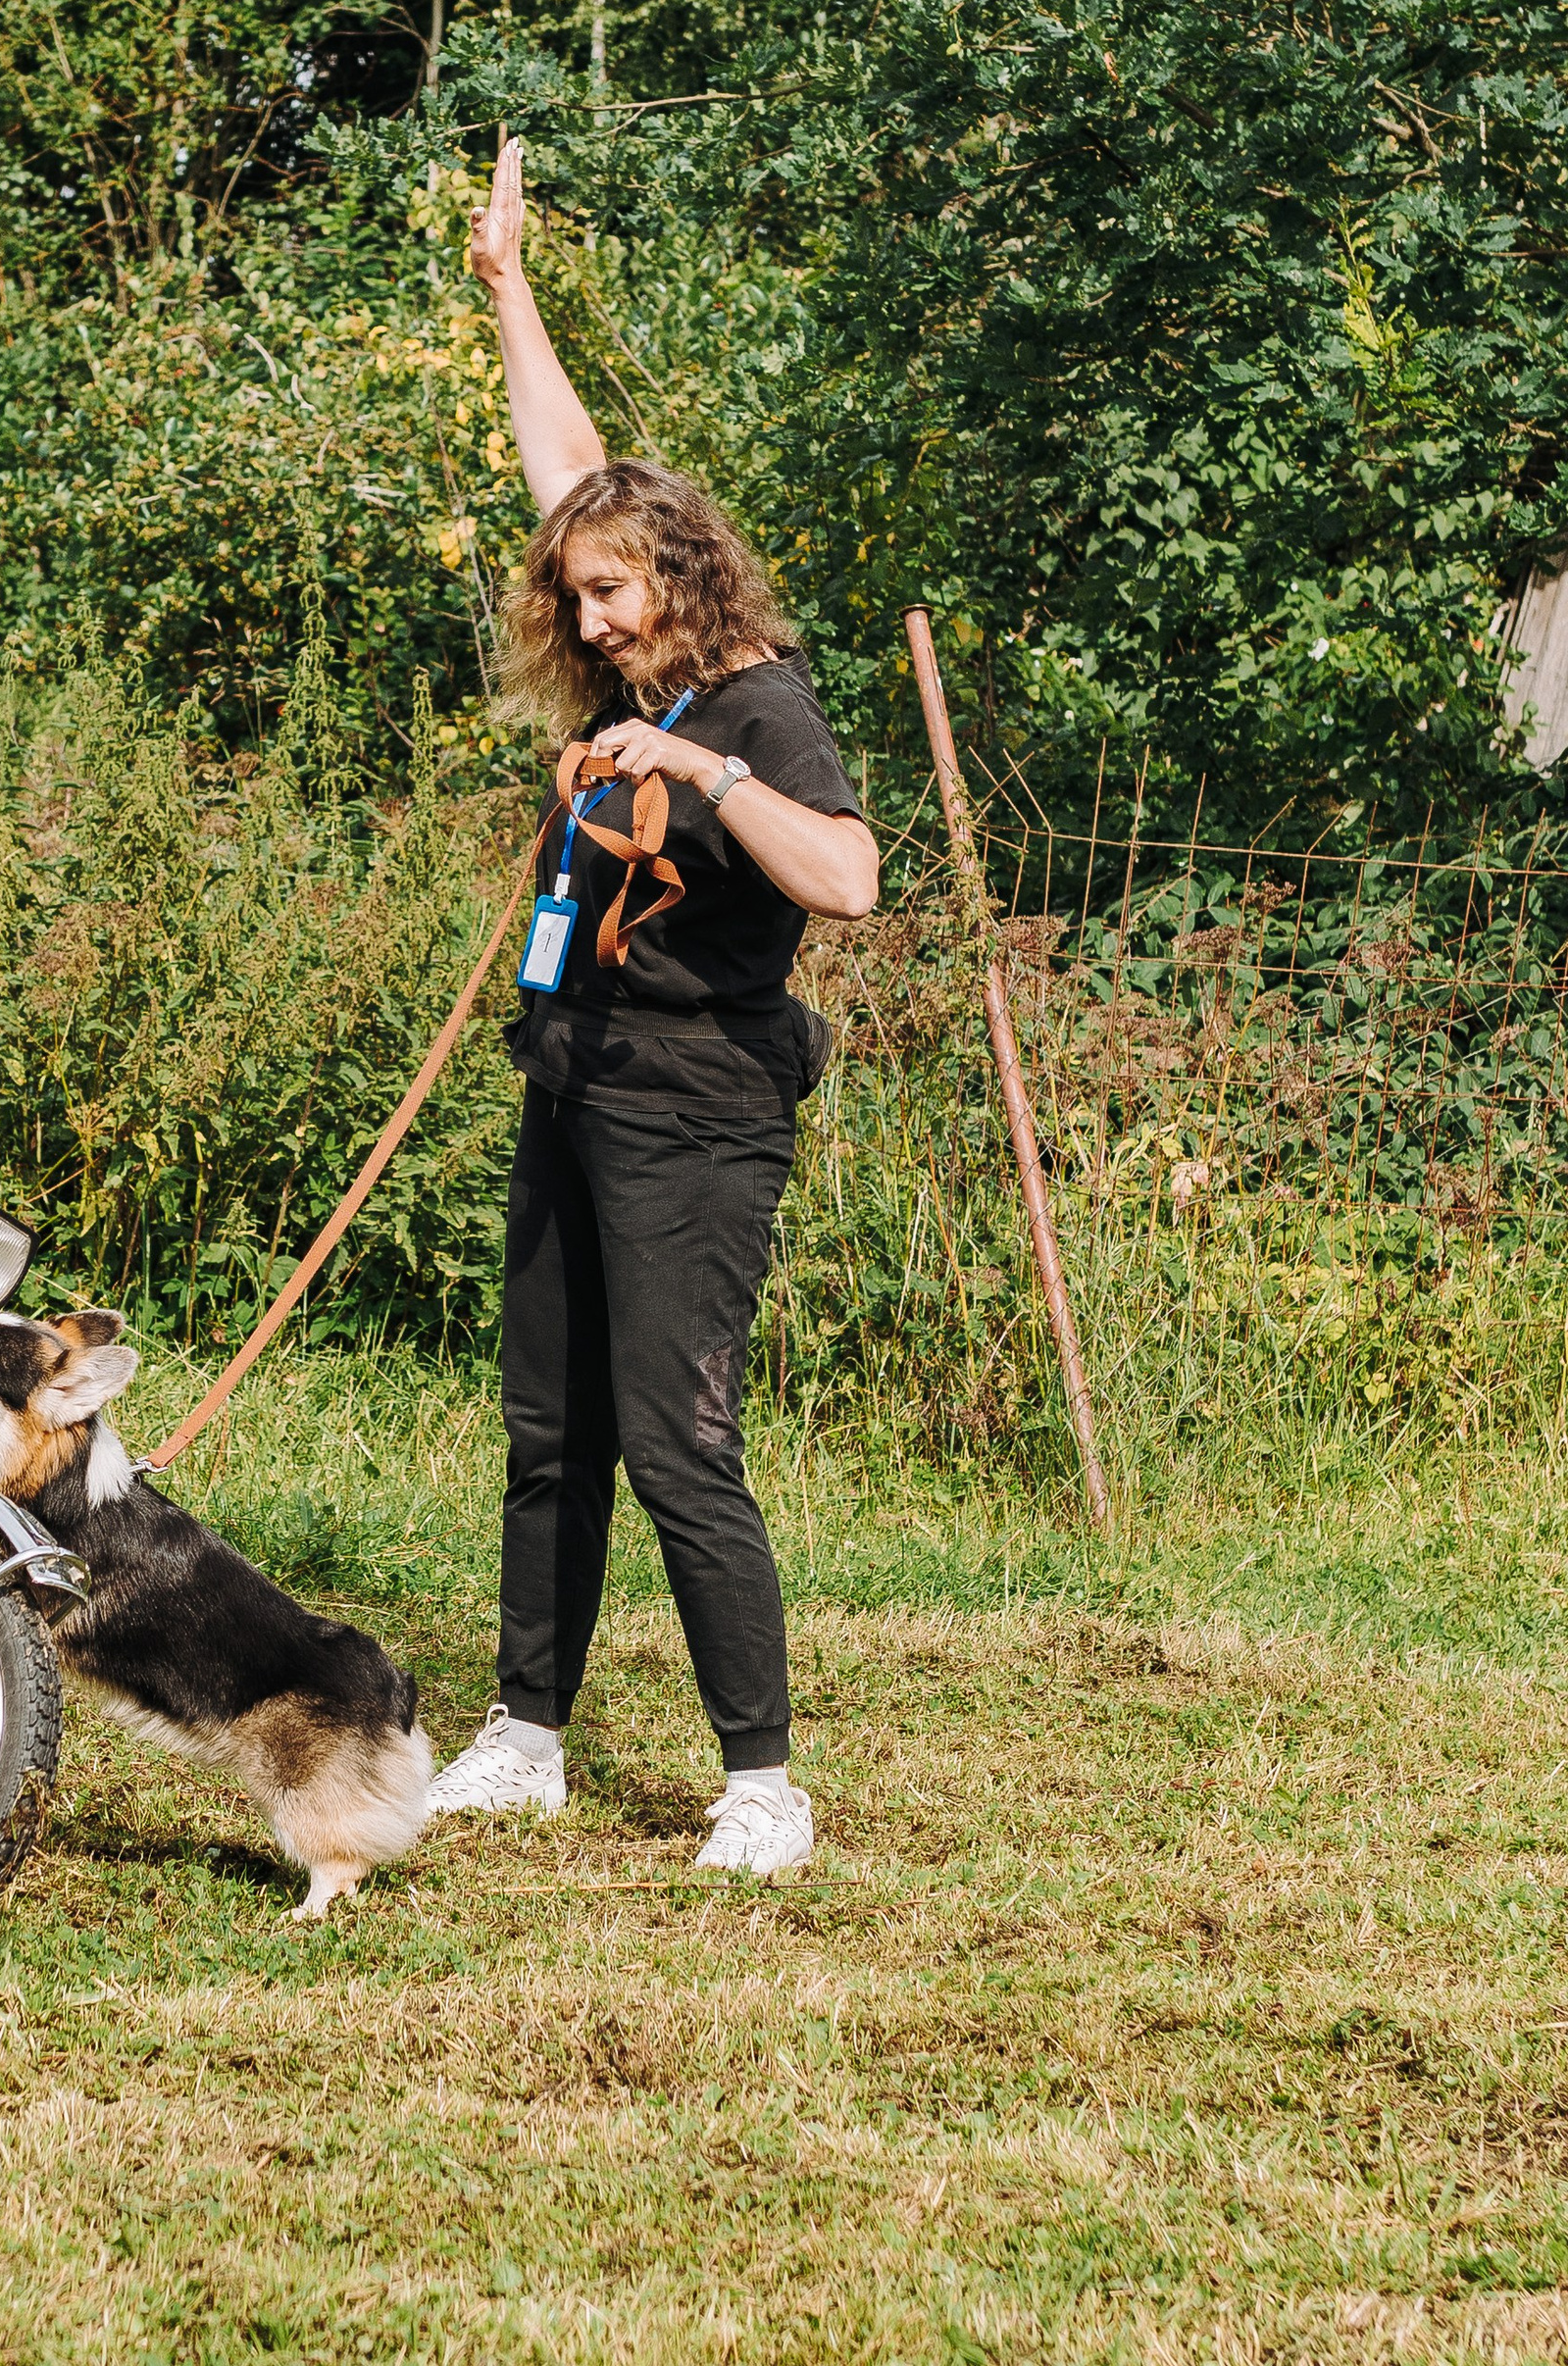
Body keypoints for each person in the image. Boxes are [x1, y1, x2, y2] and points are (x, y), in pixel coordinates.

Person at [426, 139, 878, 1878]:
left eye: (612, 593)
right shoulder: (645, 656)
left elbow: (847, 877)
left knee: (681, 1442)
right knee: (554, 1430)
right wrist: (508, 289)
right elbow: (572, 474)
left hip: (700, 1108)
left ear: (683, 577)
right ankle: (526, 1733)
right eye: (577, 595)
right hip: (576, 1077)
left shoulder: (756, 708)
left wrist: (701, 771)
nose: (590, 620)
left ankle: (762, 1780)